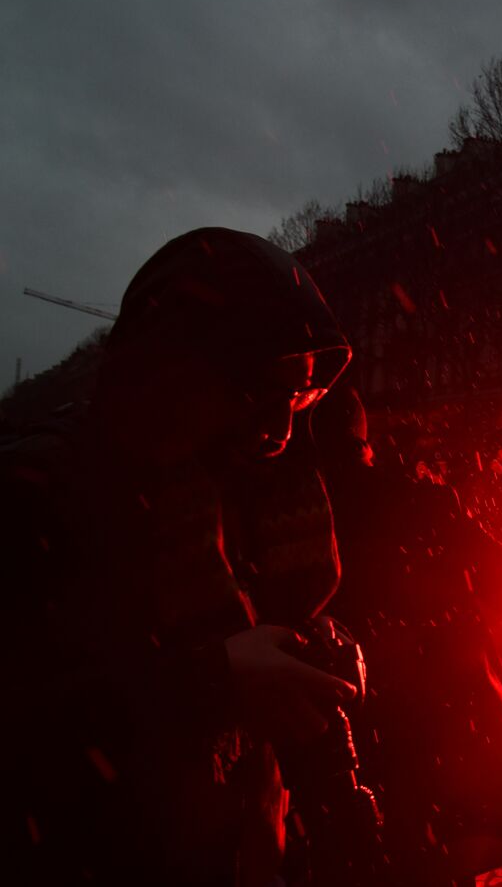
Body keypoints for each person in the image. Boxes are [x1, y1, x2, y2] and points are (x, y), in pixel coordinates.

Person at [4, 228, 360, 885]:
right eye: (259, 391)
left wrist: (314, 651)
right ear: (174, 373)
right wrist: (212, 683)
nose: (281, 432)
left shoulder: (242, 492)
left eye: (298, 397)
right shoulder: (39, 490)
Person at [311, 385, 502, 884]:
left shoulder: (302, 507)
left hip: (343, 732)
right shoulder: (418, 503)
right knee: (435, 862)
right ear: (365, 442)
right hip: (438, 735)